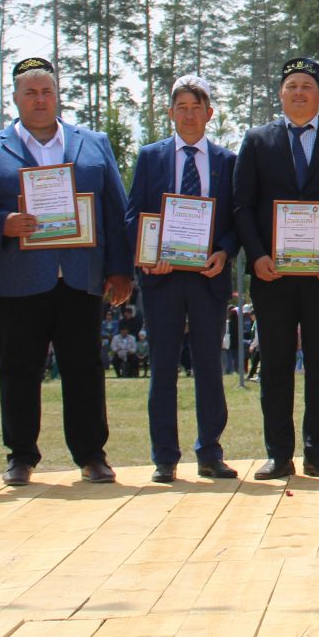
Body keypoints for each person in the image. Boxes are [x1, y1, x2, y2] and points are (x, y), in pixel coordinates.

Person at [0, 57, 133, 485]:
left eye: (47, 91)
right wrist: (0, 224)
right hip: (17, 276)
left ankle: (91, 455)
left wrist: (120, 270)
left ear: (58, 96)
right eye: (31, 92)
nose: (40, 99)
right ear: (15, 98)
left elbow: (116, 210)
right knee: (19, 368)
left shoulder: (93, 142)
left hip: (81, 275)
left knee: (84, 367)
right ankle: (20, 456)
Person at [232, 57, 319, 480]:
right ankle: (278, 454)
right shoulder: (256, 140)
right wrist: (256, 256)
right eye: (291, 85)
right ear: (280, 92)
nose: (298, 92)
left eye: (306, 86)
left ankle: (318, 452)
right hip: (271, 274)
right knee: (274, 365)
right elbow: (242, 204)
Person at [123, 74, 240, 484]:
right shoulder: (150, 157)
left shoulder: (227, 161)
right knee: (163, 368)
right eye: (182, 108)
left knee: (210, 366)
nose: (189, 115)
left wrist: (224, 251)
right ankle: (164, 458)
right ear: (170, 113)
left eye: (197, 108)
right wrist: (147, 256)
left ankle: (210, 452)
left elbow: (236, 219)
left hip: (209, 278)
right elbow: (133, 213)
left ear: (209, 114)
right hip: (162, 279)